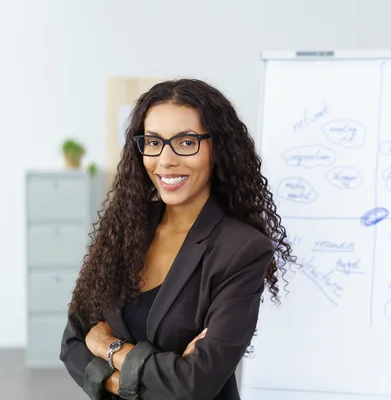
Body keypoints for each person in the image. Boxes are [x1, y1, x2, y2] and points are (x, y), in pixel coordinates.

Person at [59, 78, 295, 400]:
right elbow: (73, 341)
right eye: (153, 142)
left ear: (218, 148)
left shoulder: (242, 250)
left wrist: (108, 347)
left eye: (186, 142)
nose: (166, 160)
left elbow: (195, 385)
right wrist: (128, 380)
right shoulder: (127, 228)